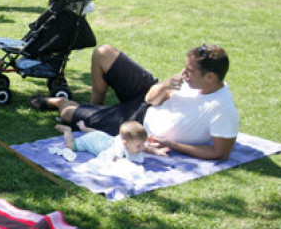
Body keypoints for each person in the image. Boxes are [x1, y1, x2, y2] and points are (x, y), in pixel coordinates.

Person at [39, 44, 240, 160]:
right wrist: (166, 85)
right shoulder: (191, 82)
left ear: (211, 77)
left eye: (190, 71)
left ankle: (56, 101)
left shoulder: (222, 109)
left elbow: (220, 153)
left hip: (136, 125)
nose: (184, 73)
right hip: (148, 99)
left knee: (68, 114)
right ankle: (96, 107)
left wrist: (173, 145)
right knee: (104, 53)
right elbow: (149, 98)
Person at [56, 120, 168, 163]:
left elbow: (146, 148)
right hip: (90, 141)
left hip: (101, 136)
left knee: (97, 133)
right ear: (125, 143)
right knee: (69, 146)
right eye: (138, 146)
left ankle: (84, 128)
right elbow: (117, 160)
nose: (141, 148)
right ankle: (67, 131)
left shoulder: (135, 143)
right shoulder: (117, 148)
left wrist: (156, 152)